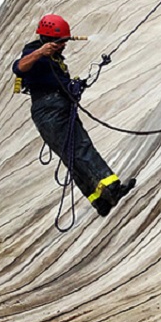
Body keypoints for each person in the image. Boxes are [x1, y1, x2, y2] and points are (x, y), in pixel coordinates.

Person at [12, 14, 135, 217]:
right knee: (80, 148)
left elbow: (57, 81)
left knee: (73, 156)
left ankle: (100, 202)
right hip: (50, 109)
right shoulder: (34, 51)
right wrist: (41, 52)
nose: (64, 45)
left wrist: (75, 85)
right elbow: (19, 67)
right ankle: (113, 189)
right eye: (61, 42)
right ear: (48, 39)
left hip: (57, 106)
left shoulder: (55, 58)